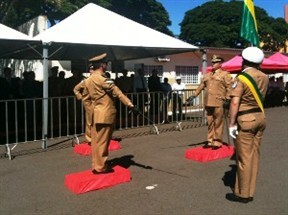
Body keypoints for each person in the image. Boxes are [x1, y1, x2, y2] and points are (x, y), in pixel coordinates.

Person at [83, 53, 138, 174]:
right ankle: (101, 167)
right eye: (106, 64)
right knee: (103, 142)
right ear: (102, 65)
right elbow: (118, 92)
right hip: (106, 115)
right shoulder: (103, 79)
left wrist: (90, 110)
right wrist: (131, 105)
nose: (107, 66)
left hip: (95, 114)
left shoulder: (88, 80)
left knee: (96, 143)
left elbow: (85, 97)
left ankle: (96, 165)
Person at [226, 47, 269, 203]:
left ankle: (243, 194)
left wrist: (231, 124)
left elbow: (235, 102)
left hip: (245, 119)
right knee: (254, 156)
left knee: (244, 158)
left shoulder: (241, 78)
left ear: (244, 61)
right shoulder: (264, 77)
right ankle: (249, 190)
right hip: (260, 117)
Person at [190, 55, 232, 150]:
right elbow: (201, 85)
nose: (213, 64)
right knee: (210, 122)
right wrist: (194, 95)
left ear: (220, 63)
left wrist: (228, 99)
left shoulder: (225, 75)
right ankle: (210, 140)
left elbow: (229, 88)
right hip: (208, 102)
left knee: (218, 122)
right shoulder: (208, 75)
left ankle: (217, 142)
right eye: (212, 62)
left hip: (219, 101)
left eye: (216, 62)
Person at [73, 65, 94, 144]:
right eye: (91, 69)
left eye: (94, 69)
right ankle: (89, 139)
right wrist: (81, 97)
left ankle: (97, 137)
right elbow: (76, 89)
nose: (93, 71)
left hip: (97, 102)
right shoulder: (86, 80)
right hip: (88, 103)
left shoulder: (99, 79)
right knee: (89, 121)